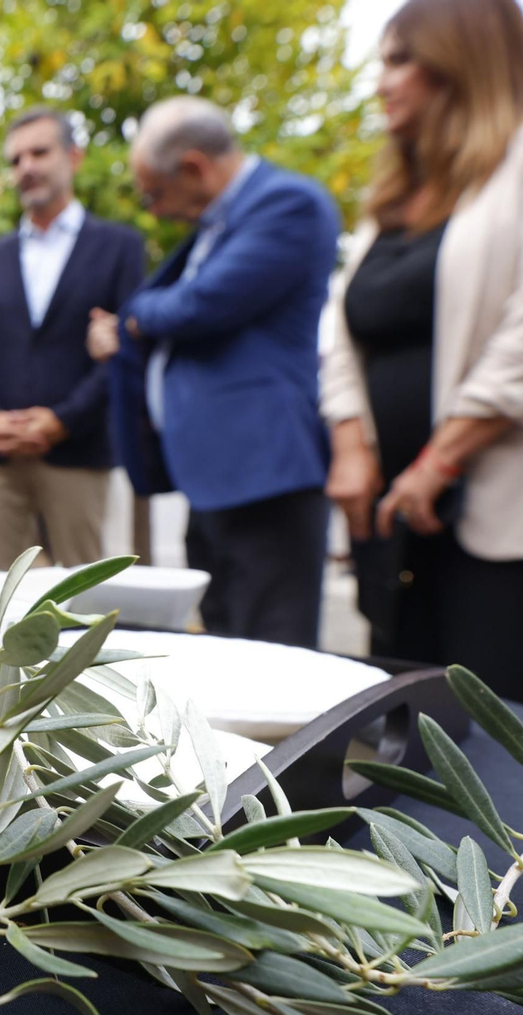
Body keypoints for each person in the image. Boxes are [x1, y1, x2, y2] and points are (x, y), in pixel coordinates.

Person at [320, 0, 523, 718]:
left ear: (461, 58)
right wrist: (351, 440)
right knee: (414, 747)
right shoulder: (395, 190)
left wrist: (439, 462)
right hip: (401, 526)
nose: (381, 81)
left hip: (512, 511)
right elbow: (341, 323)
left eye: (399, 60)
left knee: (511, 752)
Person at [89, 97, 339, 648]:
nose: (153, 210)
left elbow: (199, 306)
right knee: (227, 644)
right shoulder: (217, 225)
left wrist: (132, 318)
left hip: (266, 474)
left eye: (154, 192)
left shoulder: (286, 203)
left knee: (274, 655)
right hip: (219, 480)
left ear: (196, 167)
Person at [0, 108, 143, 569]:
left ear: (74, 157)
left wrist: (62, 420)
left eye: (39, 152)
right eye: (16, 159)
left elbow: (125, 347)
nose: (27, 167)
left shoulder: (120, 247)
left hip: (78, 450)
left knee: (82, 595)